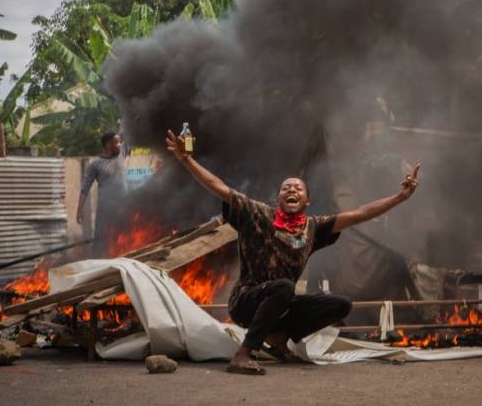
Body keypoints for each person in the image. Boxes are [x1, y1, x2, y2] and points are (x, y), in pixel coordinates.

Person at [165, 128, 420, 375]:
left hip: (282, 304)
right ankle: (244, 354)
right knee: (284, 286)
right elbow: (218, 187)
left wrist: (400, 198)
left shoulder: (313, 228)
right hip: (246, 303)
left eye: (298, 188)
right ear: (278, 199)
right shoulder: (258, 214)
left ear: (307, 201)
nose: (291, 191)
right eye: (286, 188)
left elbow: (359, 214)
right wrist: (186, 159)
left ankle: (280, 336)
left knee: (340, 305)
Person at [77, 132, 127, 238]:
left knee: (125, 238)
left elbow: (131, 134)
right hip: (105, 211)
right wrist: (79, 210)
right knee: (102, 241)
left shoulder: (121, 155)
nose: (120, 145)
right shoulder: (96, 165)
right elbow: (84, 189)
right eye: (117, 142)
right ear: (108, 145)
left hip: (123, 207)